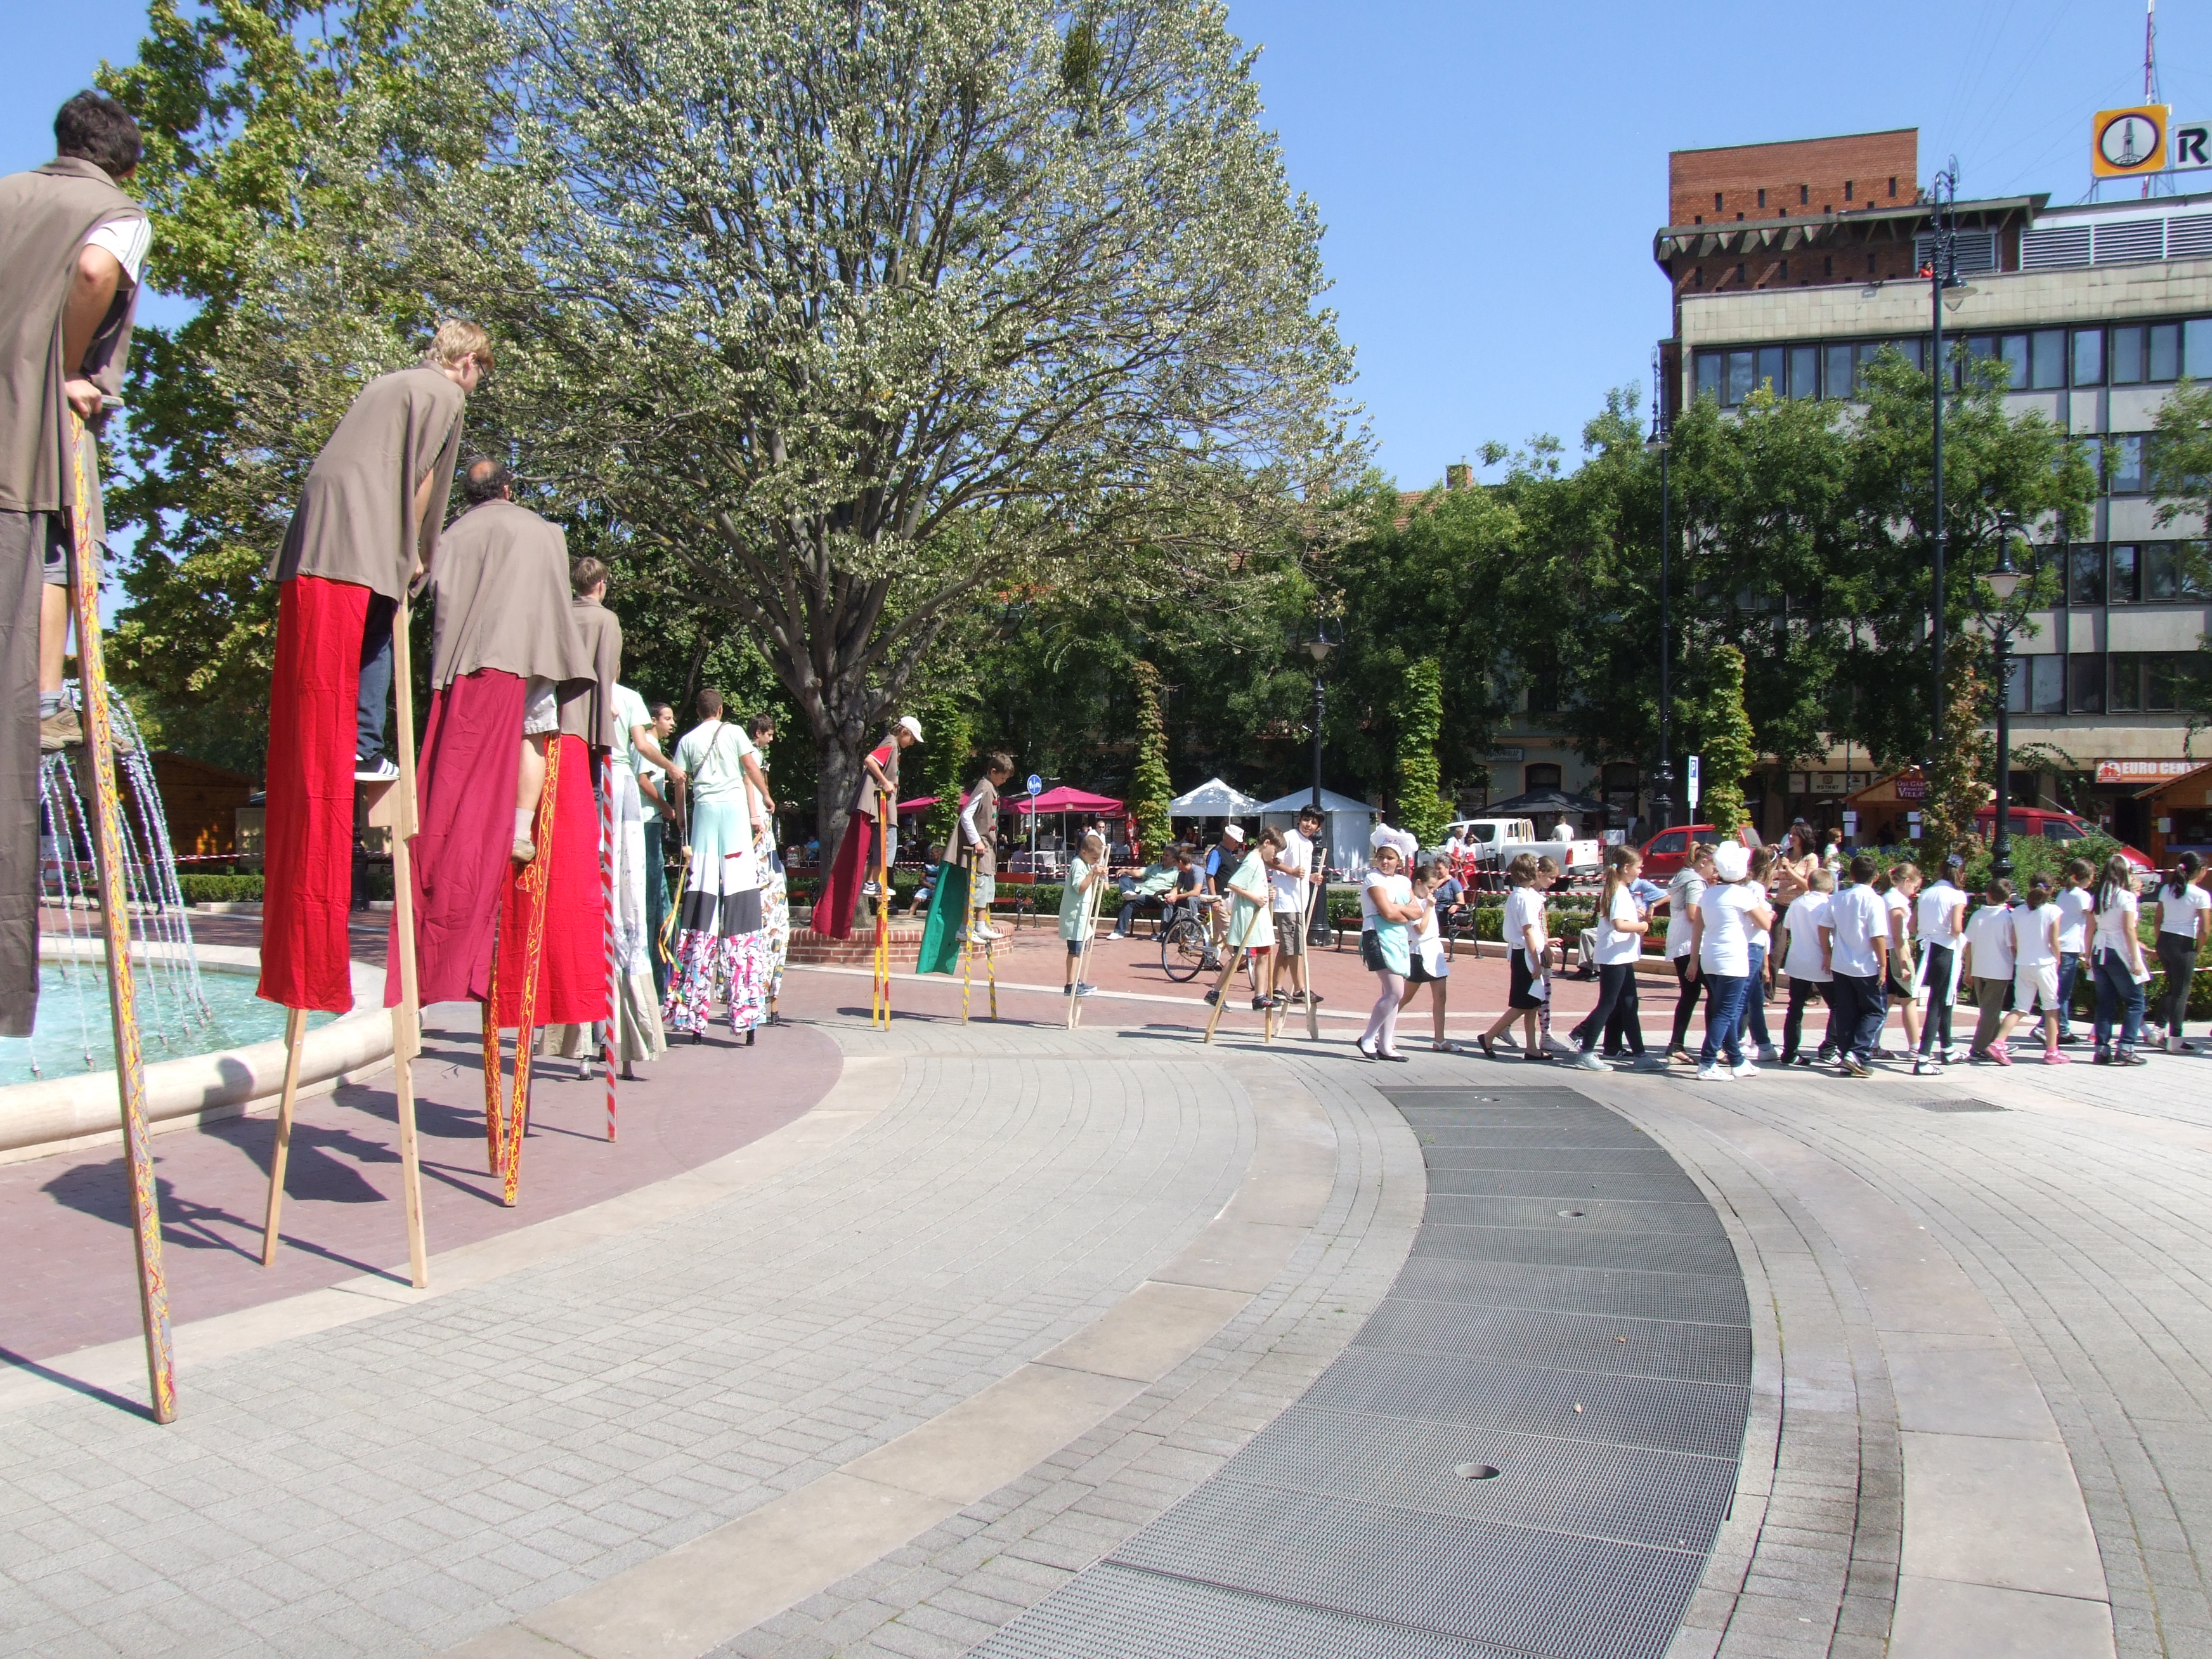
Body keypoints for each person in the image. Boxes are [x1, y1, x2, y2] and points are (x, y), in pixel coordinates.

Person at [258, 318, 488, 1016]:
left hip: (318, 527)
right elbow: (422, 479)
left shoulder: (387, 383)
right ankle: (362, 743)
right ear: (468, 363)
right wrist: (413, 549)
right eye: (481, 370)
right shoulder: (443, 396)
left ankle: (351, 741)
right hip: (363, 532)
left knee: (350, 646)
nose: (478, 382)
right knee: (383, 629)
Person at [0, 93, 150, 1038]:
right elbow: (94, 268)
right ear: (124, 164)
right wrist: (59, 368)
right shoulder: (118, 214)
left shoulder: (8, 194)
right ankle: (48, 698)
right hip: (30, 453)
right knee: (59, 565)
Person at [392, 459, 592, 1013]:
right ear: (508, 488)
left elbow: (429, 592)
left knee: (470, 752)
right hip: (527, 651)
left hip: (469, 662)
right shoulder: (545, 532)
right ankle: (520, 828)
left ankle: (475, 830)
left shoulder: (451, 536)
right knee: (534, 732)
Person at [497, 556, 620, 1044]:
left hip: (539, 730)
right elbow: (605, 676)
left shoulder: (557, 614)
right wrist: (604, 735)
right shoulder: (604, 621)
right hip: (577, 729)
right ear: (602, 585)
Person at [661, 689, 777, 1041]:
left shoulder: (687, 740)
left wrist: (681, 818)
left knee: (702, 898)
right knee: (742, 898)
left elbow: (680, 781)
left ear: (698, 711)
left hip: (705, 814)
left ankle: (693, 1010)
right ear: (722, 709)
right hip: (734, 814)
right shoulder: (734, 732)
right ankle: (747, 1011)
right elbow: (750, 768)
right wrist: (766, 796)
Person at [817, 714, 921, 937]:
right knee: (888, 841)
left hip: (881, 803)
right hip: (878, 803)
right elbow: (870, 760)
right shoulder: (891, 742)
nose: (912, 743)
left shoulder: (894, 746)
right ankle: (873, 882)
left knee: (883, 843)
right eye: (912, 738)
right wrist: (885, 782)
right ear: (904, 732)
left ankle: (874, 882)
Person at [1572, 845, 1657, 1071]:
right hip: (1615, 957)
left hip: (1621, 955)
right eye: (1639, 867)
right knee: (1608, 1004)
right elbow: (1619, 924)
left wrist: (1636, 918)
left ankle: (1640, 1055)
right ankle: (1586, 1052)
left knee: (1629, 1004)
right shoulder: (1619, 892)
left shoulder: (1620, 891)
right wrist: (1642, 926)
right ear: (1627, 868)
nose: (1641, 871)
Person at [1694, 843, 1773, 1080]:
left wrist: (1694, 961)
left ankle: (1737, 1060)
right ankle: (1707, 1062)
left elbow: (1697, 928)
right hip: (1733, 958)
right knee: (1725, 1013)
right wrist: (1767, 914)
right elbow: (1765, 924)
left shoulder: (1708, 894)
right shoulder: (1743, 894)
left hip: (1710, 957)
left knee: (1724, 1011)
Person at [1821, 856, 1892, 1077]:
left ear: (1851, 875)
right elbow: (1877, 936)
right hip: (1866, 965)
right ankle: (1858, 1053)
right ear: (1876, 877)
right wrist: (1883, 964)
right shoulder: (1874, 900)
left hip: (1841, 963)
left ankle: (1846, 1056)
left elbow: (1823, 926)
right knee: (1875, 1011)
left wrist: (1827, 952)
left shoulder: (1838, 898)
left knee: (1846, 1012)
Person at [1357, 828, 1422, 1062]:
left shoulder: (1403, 881)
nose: (1385, 862)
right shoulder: (1373, 879)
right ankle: (1368, 1037)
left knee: (1391, 994)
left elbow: (1417, 912)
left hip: (1398, 939)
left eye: (1390, 858)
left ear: (1399, 861)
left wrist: (1400, 910)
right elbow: (1386, 912)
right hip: (1377, 936)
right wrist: (1403, 913)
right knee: (1396, 991)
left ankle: (1386, 1044)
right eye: (1381, 857)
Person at [1480, 854, 1551, 1061]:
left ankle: (1531, 1047)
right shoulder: (1523, 898)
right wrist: (1536, 962)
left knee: (1533, 1003)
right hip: (1525, 954)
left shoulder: (1521, 895)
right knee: (1523, 1003)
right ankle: (1489, 1036)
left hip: (1525, 952)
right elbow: (1528, 931)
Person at [1202, 824, 1280, 1013]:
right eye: (1275, 850)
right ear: (1267, 843)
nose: (1275, 855)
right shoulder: (1252, 861)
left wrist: (1266, 893)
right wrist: (1255, 898)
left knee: (1264, 953)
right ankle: (1215, 992)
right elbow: (1234, 884)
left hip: (1258, 917)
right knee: (1241, 955)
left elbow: (1253, 886)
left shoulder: (1258, 861)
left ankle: (1259, 996)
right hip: (1248, 917)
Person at [746, 713, 790, 1022]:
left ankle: (767, 994)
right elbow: (748, 782)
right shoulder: (751, 754)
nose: (772, 739)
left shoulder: (755, 755)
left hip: (763, 832)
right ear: (759, 732)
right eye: (770, 734)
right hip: (759, 831)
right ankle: (762, 994)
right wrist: (758, 807)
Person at [2001, 877, 2070, 1065]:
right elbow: (2054, 941)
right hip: (2045, 963)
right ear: (2052, 890)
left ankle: (1998, 1043)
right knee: (2051, 1008)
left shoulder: (2018, 912)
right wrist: (2058, 959)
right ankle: (2052, 1050)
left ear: (2030, 887)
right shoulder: (2053, 911)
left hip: (2024, 963)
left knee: (2019, 1008)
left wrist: (2020, 955)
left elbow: (2014, 941)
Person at [2090, 854, 2150, 1066]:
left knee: (2105, 1003)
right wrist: (2136, 959)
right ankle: (2126, 1047)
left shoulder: (2098, 896)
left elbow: (2090, 927)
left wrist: (2088, 954)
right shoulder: (2126, 897)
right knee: (2136, 1001)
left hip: (2099, 948)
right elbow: (2128, 929)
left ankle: (2102, 1050)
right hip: (2118, 950)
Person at [1911, 852, 1968, 1076]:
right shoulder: (1957, 896)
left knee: (1945, 998)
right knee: (1938, 1001)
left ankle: (1948, 1048)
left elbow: (1913, 925)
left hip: (1926, 947)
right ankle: (1924, 1058)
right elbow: (1956, 927)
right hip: (1945, 948)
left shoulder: (1926, 893)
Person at [637, 701, 680, 996]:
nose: (672, 723)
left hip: (652, 824)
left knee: (662, 904)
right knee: (655, 904)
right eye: (667, 718)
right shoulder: (648, 747)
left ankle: (663, 980)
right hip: (647, 823)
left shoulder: (654, 748)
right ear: (653, 720)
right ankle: (657, 982)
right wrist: (664, 805)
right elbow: (643, 780)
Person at [2150, 852, 2209, 1053]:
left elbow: (2157, 920)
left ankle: (2158, 1031)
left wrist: (2160, 941)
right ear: (2200, 870)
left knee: (2173, 988)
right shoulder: (2201, 895)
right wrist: (2197, 949)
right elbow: (2205, 929)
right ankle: (2176, 1039)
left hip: (2165, 940)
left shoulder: (2167, 889)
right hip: (2183, 943)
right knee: (2181, 993)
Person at [1779, 869, 1837, 1067]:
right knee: (1838, 1006)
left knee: (1795, 1008)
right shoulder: (1828, 905)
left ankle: (1790, 1052)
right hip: (1822, 961)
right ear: (1830, 887)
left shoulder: (1797, 903)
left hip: (1798, 961)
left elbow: (1788, 926)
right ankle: (1829, 1048)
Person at [1664, 845, 1714, 1064]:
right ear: (1703, 862)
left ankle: (1676, 1045)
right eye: (1714, 866)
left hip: (1679, 940)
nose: (1715, 872)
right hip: (1690, 942)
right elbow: (1693, 914)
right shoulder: (1695, 881)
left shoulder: (1683, 876)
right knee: (1715, 992)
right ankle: (1714, 1046)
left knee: (1690, 994)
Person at [1271, 804, 1324, 1010]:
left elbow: (1301, 872)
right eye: (1306, 820)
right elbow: (1272, 860)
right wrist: (1291, 871)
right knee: (1295, 946)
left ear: (1318, 827)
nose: (1308, 825)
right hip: (1286, 901)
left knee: (1287, 947)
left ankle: (1276, 987)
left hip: (1299, 901)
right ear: (1299, 819)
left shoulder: (1308, 844)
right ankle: (1301, 989)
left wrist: (1311, 877)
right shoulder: (1290, 837)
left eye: (1314, 822)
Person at [1960, 878, 2017, 1064]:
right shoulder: (2007, 918)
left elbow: (1969, 945)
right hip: (1999, 970)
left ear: (1988, 895)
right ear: (2008, 897)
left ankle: (1995, 1041)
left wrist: (1967, 970)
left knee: (1988, 1009)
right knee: (1991, 1011)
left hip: (1979, 968)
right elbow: (2012, 945)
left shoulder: (1978, 915)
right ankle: (1979, 1047)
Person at [959, 753, 1013, 944]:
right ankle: (964, 929)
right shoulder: (984, 787)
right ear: (993, 771)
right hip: (980, 848)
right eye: (1002, 777)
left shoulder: (992, 789)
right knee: (976, 890)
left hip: (988, 850)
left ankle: (980, 927)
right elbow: (966, 816)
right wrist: (976, 841)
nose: (1003, 782)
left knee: (986, 890)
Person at [1401, 860, 1454, 1053]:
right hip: (1420, 951)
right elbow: (1420, 929)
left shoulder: (1425, 898)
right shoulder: (1412, 902)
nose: (1432, 891)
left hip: (1434, 950)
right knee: (1405, 996)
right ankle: (1381, 1028)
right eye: (1430, 887)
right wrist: (1430, 908)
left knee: (1440, 997)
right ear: (1419, 883)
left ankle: (1440, 1039)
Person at [1881, 862, 1924, 1060]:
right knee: (1909, 1000)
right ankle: (1915, 1046)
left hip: (1886, 952)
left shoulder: (1886, 897)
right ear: (1907, 881)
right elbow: (1899, 936)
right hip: (1896, 953)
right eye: (1914, 886)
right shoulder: (1896, 902)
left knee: (1886, 1000)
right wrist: (1905, 963)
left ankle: (1873, 1043)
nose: (1914, 891)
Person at [1060, 828, 1108, 998]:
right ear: (1084, 852)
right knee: (1075, 950)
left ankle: (1076, 981)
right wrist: (1093, 873)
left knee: (1080, 950)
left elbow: (1089, 884)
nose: (1095, 862)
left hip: (1082, 915)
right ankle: (1070, 984)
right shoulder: (1078, 864)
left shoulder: (1086, 864)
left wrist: (1097, 874)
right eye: (1094, 858)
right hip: (1074, 915)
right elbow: (1080, 888)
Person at [2053, 857, 2096, 1046]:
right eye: (2092, 876)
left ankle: (2055, 1026)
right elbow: (2091, 922)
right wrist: (2088, 951)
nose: (2093, 880)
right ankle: (2060, 1029)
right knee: (2063, 992)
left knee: (2058, 990)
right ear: (2084, 877)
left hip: (2059, 945)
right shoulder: (2083, 896)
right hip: (2070, 947)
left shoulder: (2064, 893)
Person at [1112, 852, 1182, 939]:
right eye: (1163, 855)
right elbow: (1138, 873)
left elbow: (1178, 890)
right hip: (1141, 892)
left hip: (1155, 897)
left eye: (1167, 855)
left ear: (1174, 859)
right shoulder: (1155, 867)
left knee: (1129, 901)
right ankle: (1127, 892)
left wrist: (1163, 892)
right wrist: (1125, 870)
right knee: (1123, 876)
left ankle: (1119, 932)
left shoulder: (1176, 873)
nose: (1164, 857)